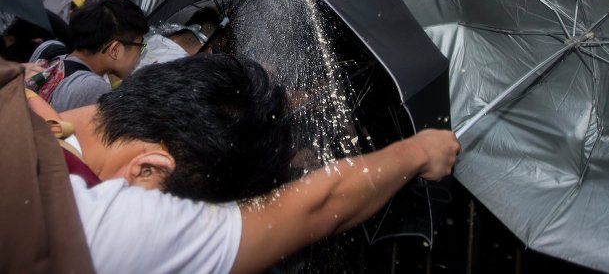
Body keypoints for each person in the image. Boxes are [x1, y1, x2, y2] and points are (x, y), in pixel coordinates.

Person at [32, 54, 461, 273]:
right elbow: (313, 207)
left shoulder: (26, 105)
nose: (170, 210)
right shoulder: (105, 228)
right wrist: (421, 150)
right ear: (151, 169)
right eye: (180, 202)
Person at [29, 0, 149, 112]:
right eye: (140, 46)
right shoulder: (93, 87)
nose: (139, 54)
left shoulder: (49, 49)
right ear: (115, 50)